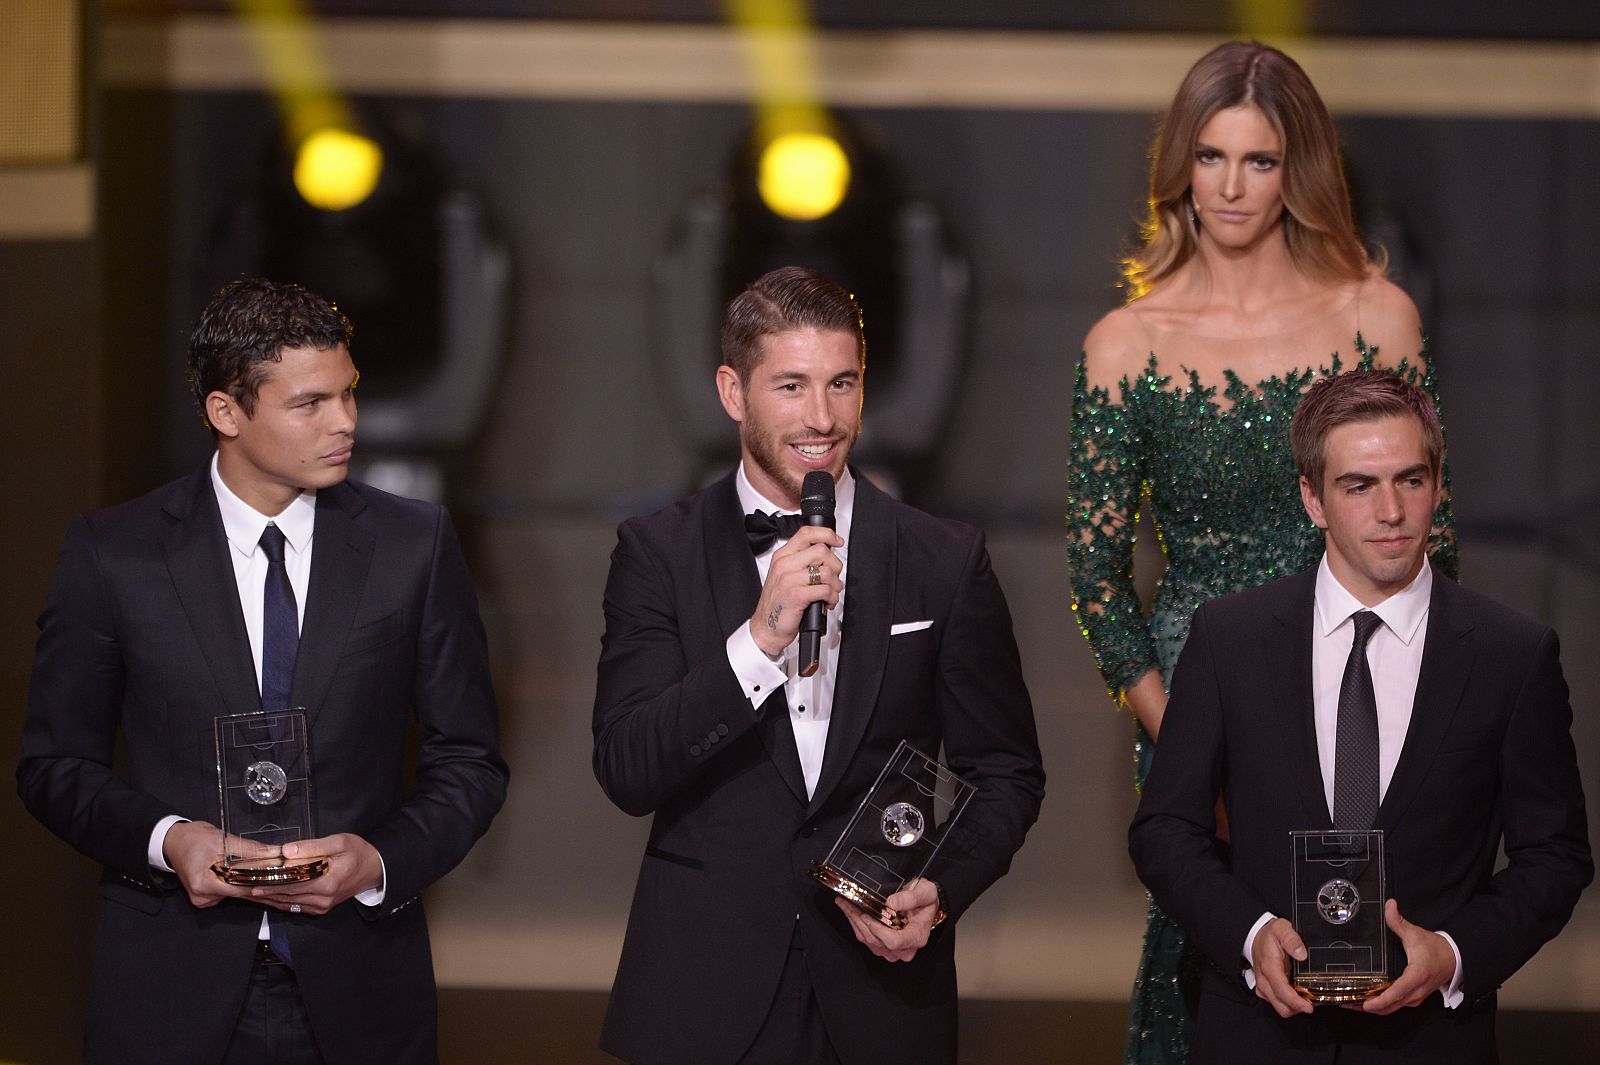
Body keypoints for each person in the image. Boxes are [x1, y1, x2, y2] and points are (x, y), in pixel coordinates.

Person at [1064, 39, 1457, 1064]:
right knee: (1214, 957)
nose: (1231, 186)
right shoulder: (1126, 345)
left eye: (1259, 160)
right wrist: (1187, 742)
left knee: (1367, 944)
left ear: (1299, 171)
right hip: (1195, 696)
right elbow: (1094, 581)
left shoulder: (1378, 319)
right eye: (1211, 157)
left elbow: (1433, 548)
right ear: (1179, 169)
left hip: (1364, 683)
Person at [17, 278, 509, 1065]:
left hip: (362, 988)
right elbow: (52, 766)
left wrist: (376, 861)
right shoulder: (116, 553)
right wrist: (170, 840)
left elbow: (472, 763)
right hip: (166, 990)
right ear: (226, 412)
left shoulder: (413, 544)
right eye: (309, 404)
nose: (346, 421)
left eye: (348, 394)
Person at [593, 265, 1045, 1065]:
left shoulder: (943, 558)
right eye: (792, 386)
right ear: (733, 392)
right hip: (701, 993)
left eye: (842, 383)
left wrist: (938, 891)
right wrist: (760, 640)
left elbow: (1005, 769)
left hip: (882, 989)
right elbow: (629, 767)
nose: (822, 417)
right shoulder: (656, 553)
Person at [1128, 370, 1591, 1063]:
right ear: (1313, 498)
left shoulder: (1512, 655)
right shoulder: (1230, 638)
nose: (1391, 510)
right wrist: (1251, 935)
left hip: (1429, 1041)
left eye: (1410, 479)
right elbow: (1165, 828)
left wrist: (1456, 953)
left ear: (1438, 486)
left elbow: (1555, 855)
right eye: (1359, 485)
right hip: (1258, 1035)